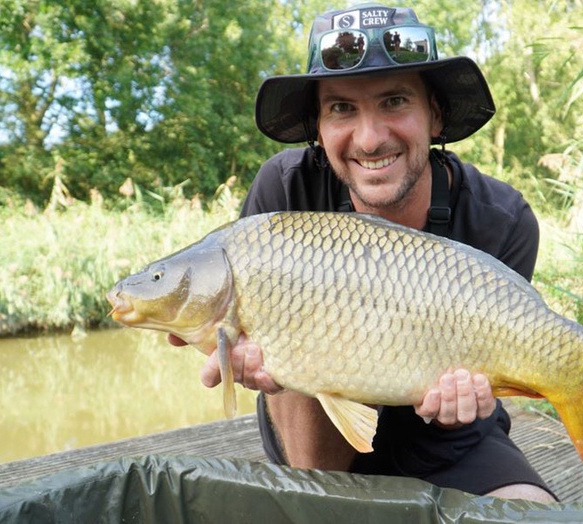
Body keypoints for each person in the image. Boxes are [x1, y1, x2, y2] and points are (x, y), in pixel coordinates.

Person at [172, 4, 557, 503]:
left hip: (450, 439)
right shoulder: (283, 192)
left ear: (434, 115)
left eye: (394, 101)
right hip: (320, 434)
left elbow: (500, 368)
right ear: (318, 125)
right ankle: (319, 499)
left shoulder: (503, 218)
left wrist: (483, 387)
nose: (370, 138)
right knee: (287, 343)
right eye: (341, 109)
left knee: (536, 512)